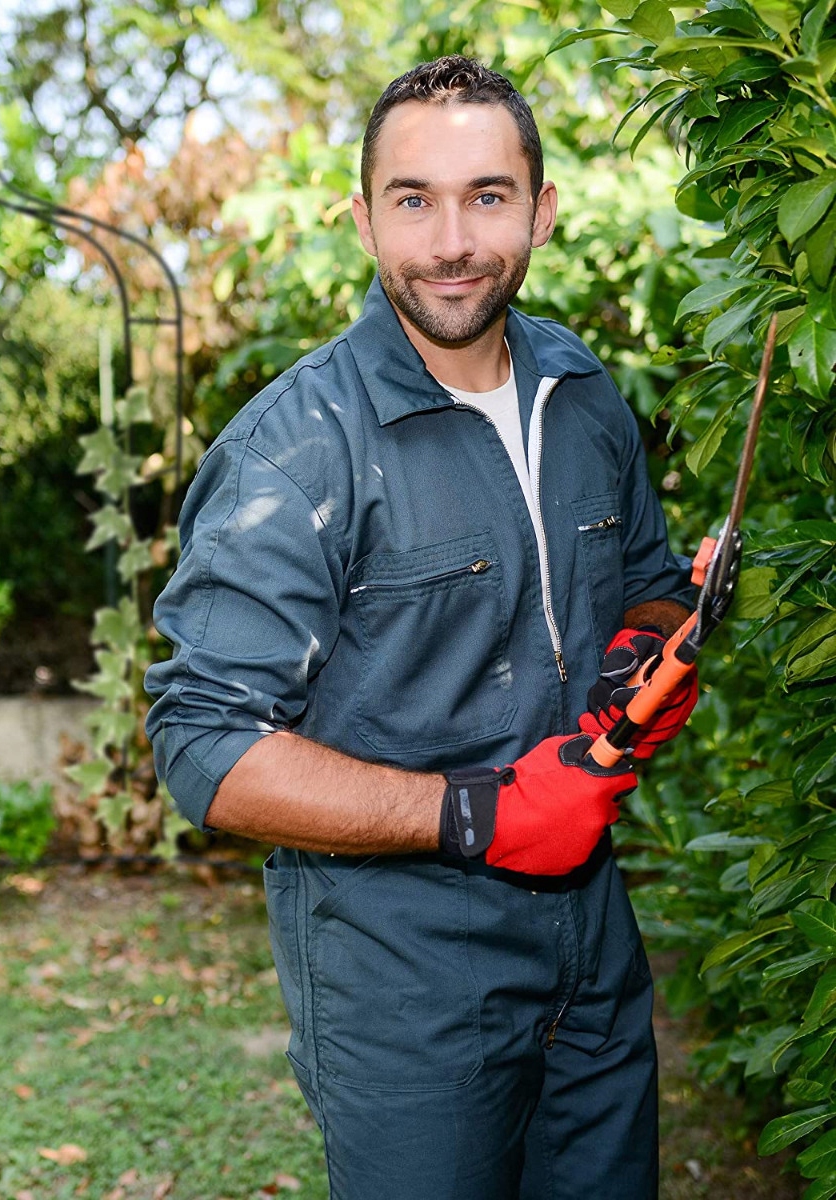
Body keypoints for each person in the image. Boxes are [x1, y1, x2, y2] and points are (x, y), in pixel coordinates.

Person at [145, 56, 699, 1200]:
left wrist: (651, 648)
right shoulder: (294, 450)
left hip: (593, 944)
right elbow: (204, 743)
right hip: (399, 975)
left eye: (488, 196)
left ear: (541, 210)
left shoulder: (581, 391)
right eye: (414, 199)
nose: (452, 239)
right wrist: (479, 814)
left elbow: (647, 577)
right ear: (362, 219)